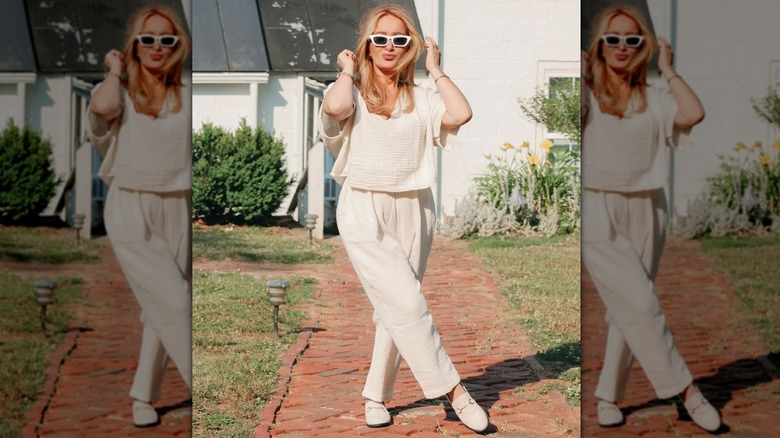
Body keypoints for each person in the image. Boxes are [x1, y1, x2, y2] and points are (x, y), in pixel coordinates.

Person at [318, 3, 489, 433]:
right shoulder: (352, 91)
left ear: (410, 46)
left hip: (414, 207)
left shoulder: (425, 98)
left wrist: (437, 68)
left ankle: (375, 395)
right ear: (367, 46)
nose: (390, 46)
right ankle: (454, 392)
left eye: (400, 39)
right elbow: (335, 110)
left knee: (394, 307)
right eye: (380, 38)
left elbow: (462, 114)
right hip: (363, 206)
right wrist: (345, 70)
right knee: (408, 303)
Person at [581, 4, 720, 432]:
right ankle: (687, 392)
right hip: (596, 207)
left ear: (643, 47)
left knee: (630, 304)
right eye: (613, 39)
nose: (622, 47)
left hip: (648, 208)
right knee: (640, 303)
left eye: (632, 39)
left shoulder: (655, 98)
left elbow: (693, 114)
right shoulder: (585, 95)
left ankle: (607, 395)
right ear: (600, 46)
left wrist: (669, 69)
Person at [88, 5, 191, 428]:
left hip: (178, 204)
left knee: (159, 308)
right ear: (134, 44)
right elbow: (101, 110)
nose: (157, 47)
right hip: (130, 205)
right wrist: (115, 69)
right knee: (176, 304)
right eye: (147, 39)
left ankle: (142, 397)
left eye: (166, 39)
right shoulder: (123, 90)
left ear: (177, 45)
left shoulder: (187, 91)